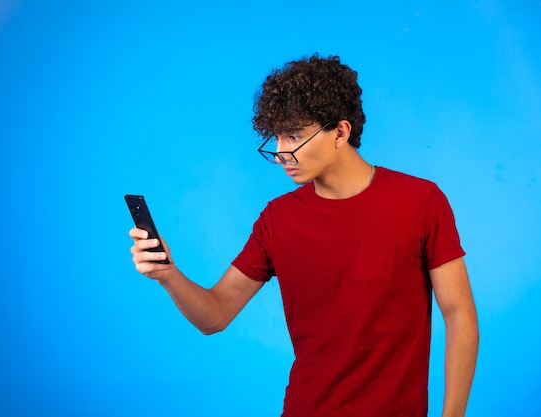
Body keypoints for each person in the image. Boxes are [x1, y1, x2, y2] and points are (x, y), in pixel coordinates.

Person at [129, 54, 479, 417]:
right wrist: (167, 274)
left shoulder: (420, 202)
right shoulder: (277, 219)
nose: (281, 153)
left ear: (340, 132)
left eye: (293, 135)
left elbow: (459, 315)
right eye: (276, 137)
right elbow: (214, 316)